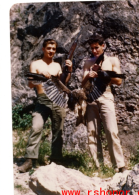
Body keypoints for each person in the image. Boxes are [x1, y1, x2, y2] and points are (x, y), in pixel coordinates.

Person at [18, 39, 72, 173]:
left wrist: (69, 70)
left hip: (57, 100)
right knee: (36, 127)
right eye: (49, 48)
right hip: (42, 100)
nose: (51, 51)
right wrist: (40, 75)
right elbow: (31, 85)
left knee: (58, 131)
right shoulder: (35, 64)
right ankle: (30, 160)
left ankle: (57, 160)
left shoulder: (57, 66)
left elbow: (63, 83)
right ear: (43, 49)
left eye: (53, 49)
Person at [82, 34, 126, 172]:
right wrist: (88, 76)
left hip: (106, 95)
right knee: (92, 132)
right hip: (91, 96)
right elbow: (82, 84)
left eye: (97, 47)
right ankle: (97, 167)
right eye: (92, 48)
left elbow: (118, 81)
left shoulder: (112, 60)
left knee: (111, 130)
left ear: (103, 46)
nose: (94, 51)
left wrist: (101, 74)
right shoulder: (88, 63)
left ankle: (119, 165)